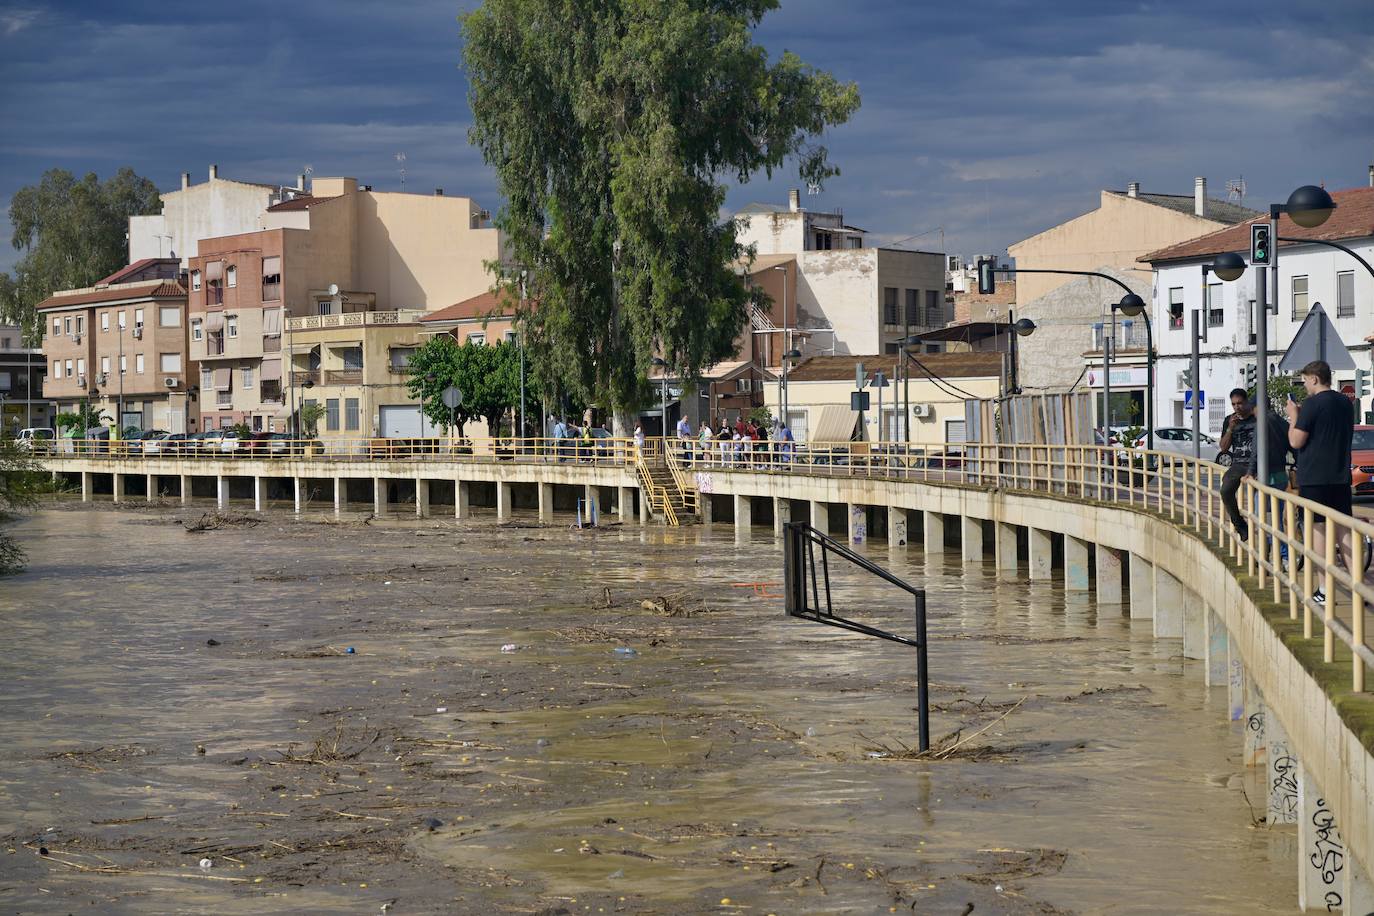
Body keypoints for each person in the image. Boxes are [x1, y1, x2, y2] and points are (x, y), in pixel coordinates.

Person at [1286, 359, 1355, 600]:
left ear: (1314, 379)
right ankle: (1358, 588)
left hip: (1314, 478)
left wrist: (1294, 415)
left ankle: (1324, 589)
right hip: (1340, 476)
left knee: (1318, 531)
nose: (1304, 385)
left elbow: (1295, 441)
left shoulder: (1312, 404)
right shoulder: (1346, 403)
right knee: (1345, 530)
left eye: (1305, 380)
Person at [1219, 388, 1257, 539]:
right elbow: (1223, 447)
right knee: (1225, 490)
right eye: (1234, 404)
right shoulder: (1230, 420)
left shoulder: (1257, 417)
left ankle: (1262, 538)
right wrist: (1230, 429)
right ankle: (1240, 525)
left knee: (1257, 501)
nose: (1237, 407)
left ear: (1247, 402)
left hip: (1255, 463)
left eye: (1240, 403)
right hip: (1238, 464)